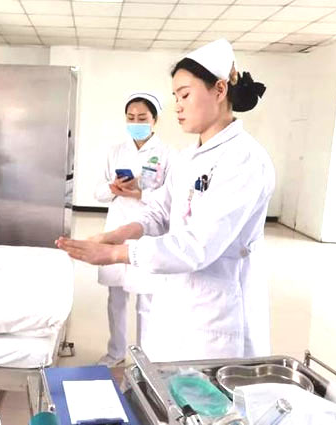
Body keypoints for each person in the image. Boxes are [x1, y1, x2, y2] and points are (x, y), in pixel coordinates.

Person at [57, 39, 273, 361]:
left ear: (219, 89)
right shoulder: (189, 158)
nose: (178, 107)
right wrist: (114, 235)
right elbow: (159, 212)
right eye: (175, 97)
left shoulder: (244, 159)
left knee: (206, 390)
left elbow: (198, 246)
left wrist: (116, 252)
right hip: (178, 297)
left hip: (218, 316)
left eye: (185, 95)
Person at [94, 92, 173, 366]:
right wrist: (113, 188)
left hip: (147, 230)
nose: (136, 123)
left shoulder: (167, 154)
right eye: (131, 118)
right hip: (117, 227)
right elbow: (98, 193)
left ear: (154, 120)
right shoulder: (115, 151)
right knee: (115, 296)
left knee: (146, 300)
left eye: (142, 118)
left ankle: (144, 358)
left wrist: (140, 193)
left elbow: (169, 198)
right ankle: (116, 352)